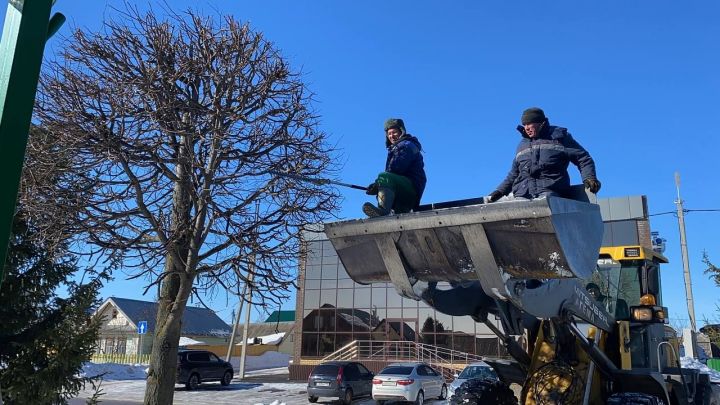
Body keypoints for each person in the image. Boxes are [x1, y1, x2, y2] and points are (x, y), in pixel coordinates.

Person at [486, 107, 601, 202]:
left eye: (529, 123)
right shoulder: (522, 145)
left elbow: (583, 158)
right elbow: (514, 174)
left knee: (543, 204)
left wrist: (589, 178)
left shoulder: (559, 138)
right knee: (517, 209)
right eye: (524, 124)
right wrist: (500, 191)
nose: (526, 128)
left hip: (550, 190)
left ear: (540, 123)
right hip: (523, 193)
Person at [363, 118, 427, 217]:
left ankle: (382, 211)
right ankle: (390, 212)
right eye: (389, 134)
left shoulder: (406, 146)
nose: (391, 136)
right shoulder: (396, 148)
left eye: (394, 132)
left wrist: (378, 184)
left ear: (401, 131)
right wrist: (378, 186)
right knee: (384, 182)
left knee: (384, 177)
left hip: (410, 190)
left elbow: (395, 169)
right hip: (402, 196)